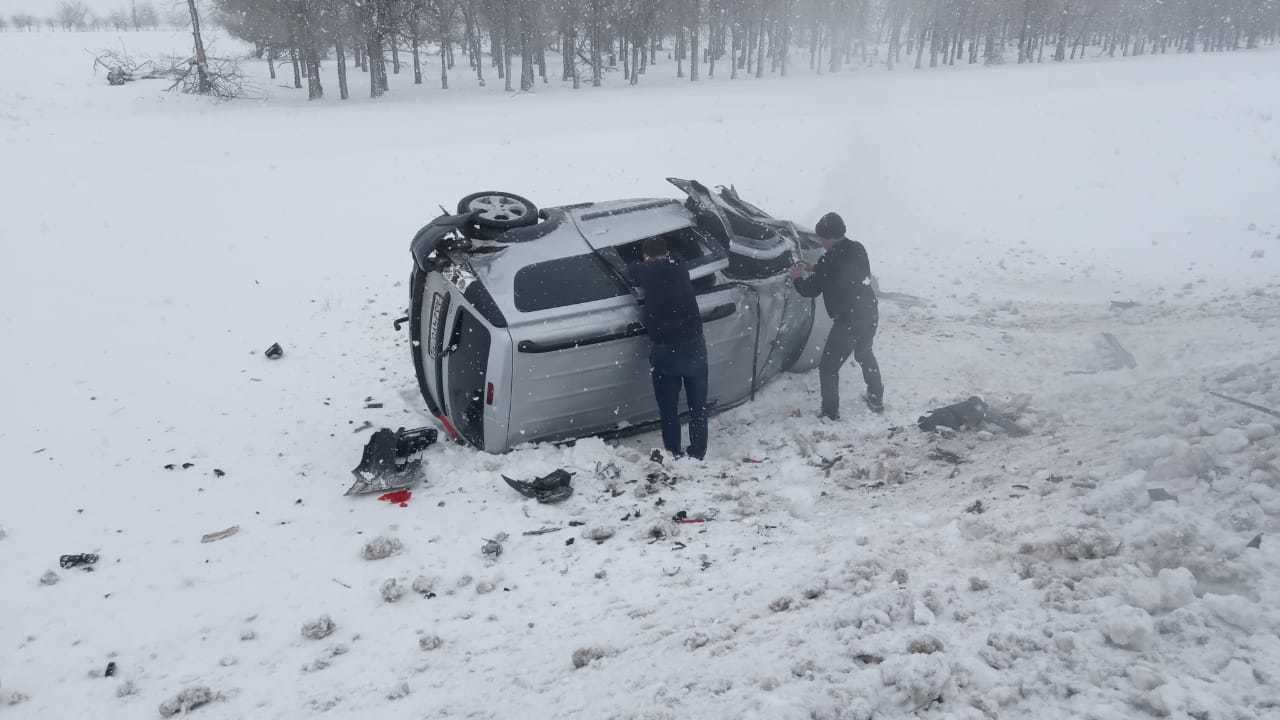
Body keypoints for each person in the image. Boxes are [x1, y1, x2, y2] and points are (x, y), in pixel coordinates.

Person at [790, 212, 883, 419]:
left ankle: (830, 413)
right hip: (869, 313)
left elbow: (809, 290)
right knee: (864, 353)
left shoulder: (829, 261)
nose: (821, 243)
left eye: (822, 239)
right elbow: (843, 271)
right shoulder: (858, 248)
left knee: (828, 368)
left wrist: (797, 277)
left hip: (848, 321)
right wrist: (814, 267)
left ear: (829, 237)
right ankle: (876, 397)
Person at [627, 236, 709, 459]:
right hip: (695, 345)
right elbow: (674, 257)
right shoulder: (680, 264)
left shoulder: (646, 272)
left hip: (666, 349)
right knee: (698, 407)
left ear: (646, 256)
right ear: (667, 252)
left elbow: (631, 269)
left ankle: (673, 451)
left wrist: (642, 262)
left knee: (668, 408)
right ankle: (698, 452)